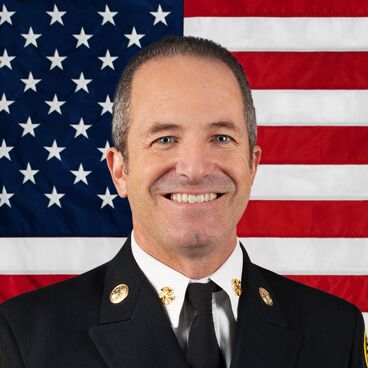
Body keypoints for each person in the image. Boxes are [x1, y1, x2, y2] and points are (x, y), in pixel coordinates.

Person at [0, 36, 366, 368]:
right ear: (120, 170)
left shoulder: (336, 333)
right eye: (164, 139)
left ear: (252, 165)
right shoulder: (24, 338)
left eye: (221, 138)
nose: (194, 170)